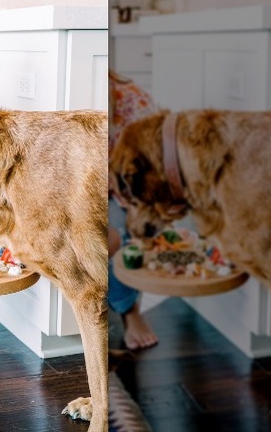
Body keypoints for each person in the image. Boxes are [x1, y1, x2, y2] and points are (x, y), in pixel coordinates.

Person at [108, 70, 159, 350]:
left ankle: (130, 312)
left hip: (123, 195)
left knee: (112, 238)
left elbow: (152, 172)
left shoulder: (129, 99)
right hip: (79, 192)